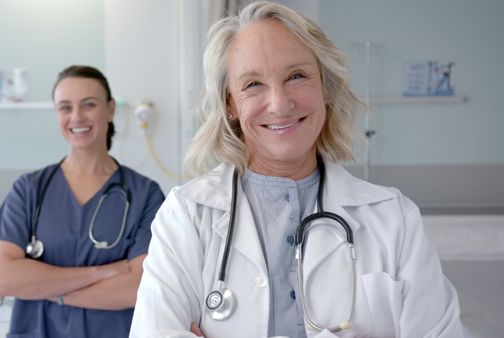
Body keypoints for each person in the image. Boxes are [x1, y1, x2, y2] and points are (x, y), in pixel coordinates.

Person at [130, 2, 463, 338]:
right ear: (230, 103)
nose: (279, 103)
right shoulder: (186, 215)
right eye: (253, 84)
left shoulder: (394, 218)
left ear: (325, 87)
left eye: (297, 76)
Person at [0, 65, 165, 338]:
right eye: (65, 107)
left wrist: (54, 292)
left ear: (110, 109)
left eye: (89, 105)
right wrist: (99, 273)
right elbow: (5, 279)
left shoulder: (145, 195)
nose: (76, 116)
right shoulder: (29, 190)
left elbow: (138, 287)